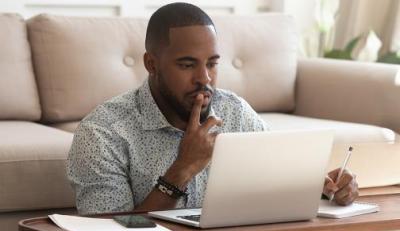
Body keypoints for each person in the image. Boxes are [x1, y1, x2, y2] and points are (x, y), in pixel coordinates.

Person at [67, 2, 358, 215]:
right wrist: (182, 169)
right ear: (151, 64)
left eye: (212, 63)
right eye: (187, 64)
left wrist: (324, 186)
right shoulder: (102, 134)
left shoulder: (235, 113)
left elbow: (278, 179)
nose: (204, 79)